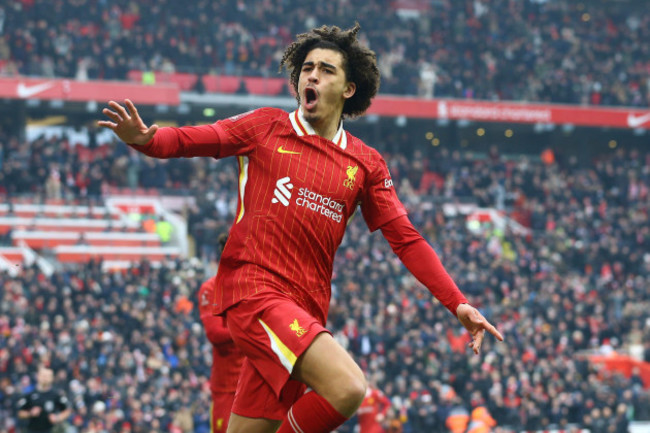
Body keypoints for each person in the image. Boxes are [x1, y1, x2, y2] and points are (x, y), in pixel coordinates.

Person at [99, 23, 503, 433]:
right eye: (307, 67)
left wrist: (457, 303)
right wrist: (146, 140)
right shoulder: (266, 127)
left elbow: (406, 239)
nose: (312, 75)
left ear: (349, 89)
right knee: (347, 388)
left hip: (304, 308)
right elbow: (194, 139)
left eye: (326, 70)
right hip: (255, 292)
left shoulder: (366, 164)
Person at [197, 234, 245, 432]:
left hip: (256, 380)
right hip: (226, 386)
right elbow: (215, 334)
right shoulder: (210, 288)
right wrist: (250, 329)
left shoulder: (255, 285)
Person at [16, 366, 71, 433]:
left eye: (48, 376)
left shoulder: (57, 395)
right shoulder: (29, 394)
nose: (45, 378)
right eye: (43, 375)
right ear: (38, 376)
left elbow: (68, 410)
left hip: (50, 430)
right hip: (32, 430)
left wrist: (58, 418)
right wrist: (30, 413)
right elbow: (19, 412)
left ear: (52, 378)